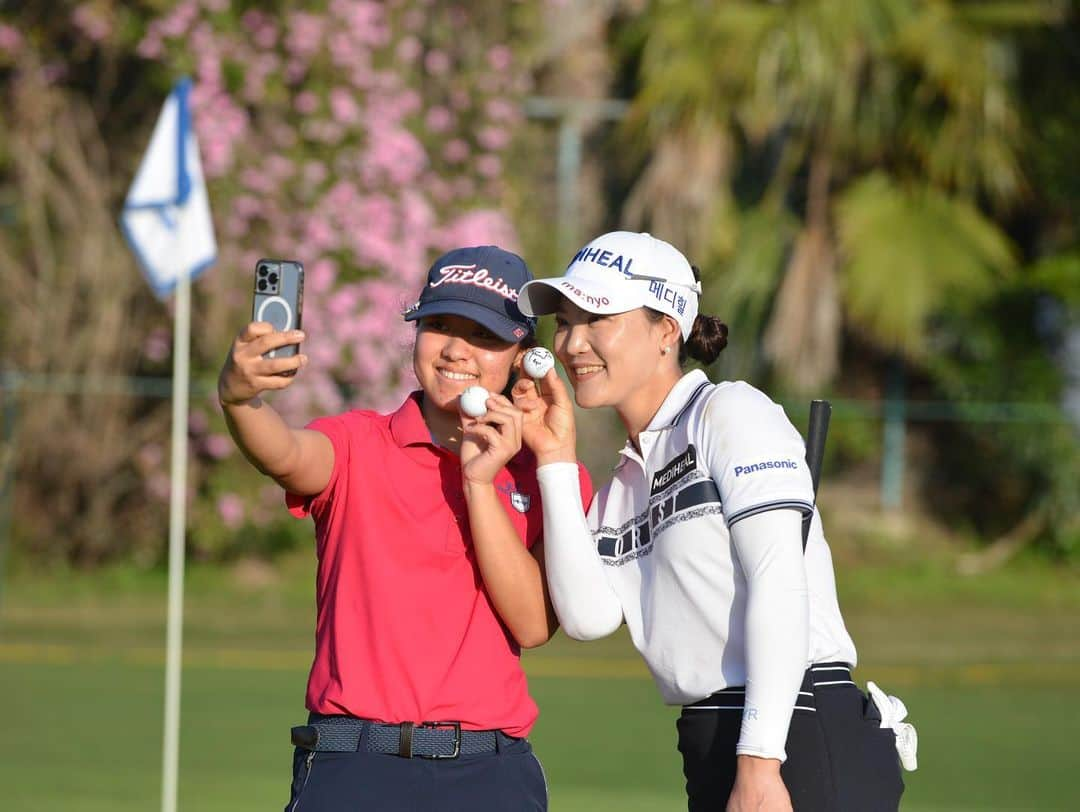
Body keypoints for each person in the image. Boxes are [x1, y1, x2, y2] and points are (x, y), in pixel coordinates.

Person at [511, 231, 915, 811]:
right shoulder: (621, 486)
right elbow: (587, 617)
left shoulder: (730, 412)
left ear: (666, 330)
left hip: (795, 728)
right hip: (711, 739)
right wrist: (553, 458)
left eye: (598, 318)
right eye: (567, 322)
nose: (574, 342)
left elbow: (779, 581)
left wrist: (758, 763)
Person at [217, 245, 591, 812]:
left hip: (489, 770)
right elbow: (287, 454)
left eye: (486, 335)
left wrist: (480, 481)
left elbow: (534, 623)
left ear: (522, 355)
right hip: (354, 763)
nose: (457, 349)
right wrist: (240, 401)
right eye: (439, 324)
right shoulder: (357, 443)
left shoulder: (551, 475)